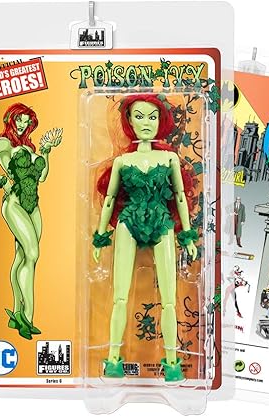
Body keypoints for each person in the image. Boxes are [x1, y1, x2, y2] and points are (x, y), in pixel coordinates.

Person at [92, 94, 199, 382]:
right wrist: (100, 234)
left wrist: (188, 236)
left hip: (162, 223)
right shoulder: (122, 161)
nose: (146, 123)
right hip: (128, 222)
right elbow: (110, 198)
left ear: (161, 121)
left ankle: (172, 362)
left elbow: (180, 197)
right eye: (139, 116)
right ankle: (113, 358)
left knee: (169, 298)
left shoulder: (170, 158)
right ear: (128, 121)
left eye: (152, 116)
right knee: (119, 296)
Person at [0, 103, 62, 340]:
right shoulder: (3, 143)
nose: (23, 124)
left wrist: (46, 152)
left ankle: (17, 312)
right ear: (10, 119)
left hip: (34, 205)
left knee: (23, 257)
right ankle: (28, 318)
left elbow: (42, 176)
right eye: (19, 119)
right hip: (14, 203)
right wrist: (1, 180)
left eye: (26, 121)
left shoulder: (29, 147)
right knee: (32, 255)